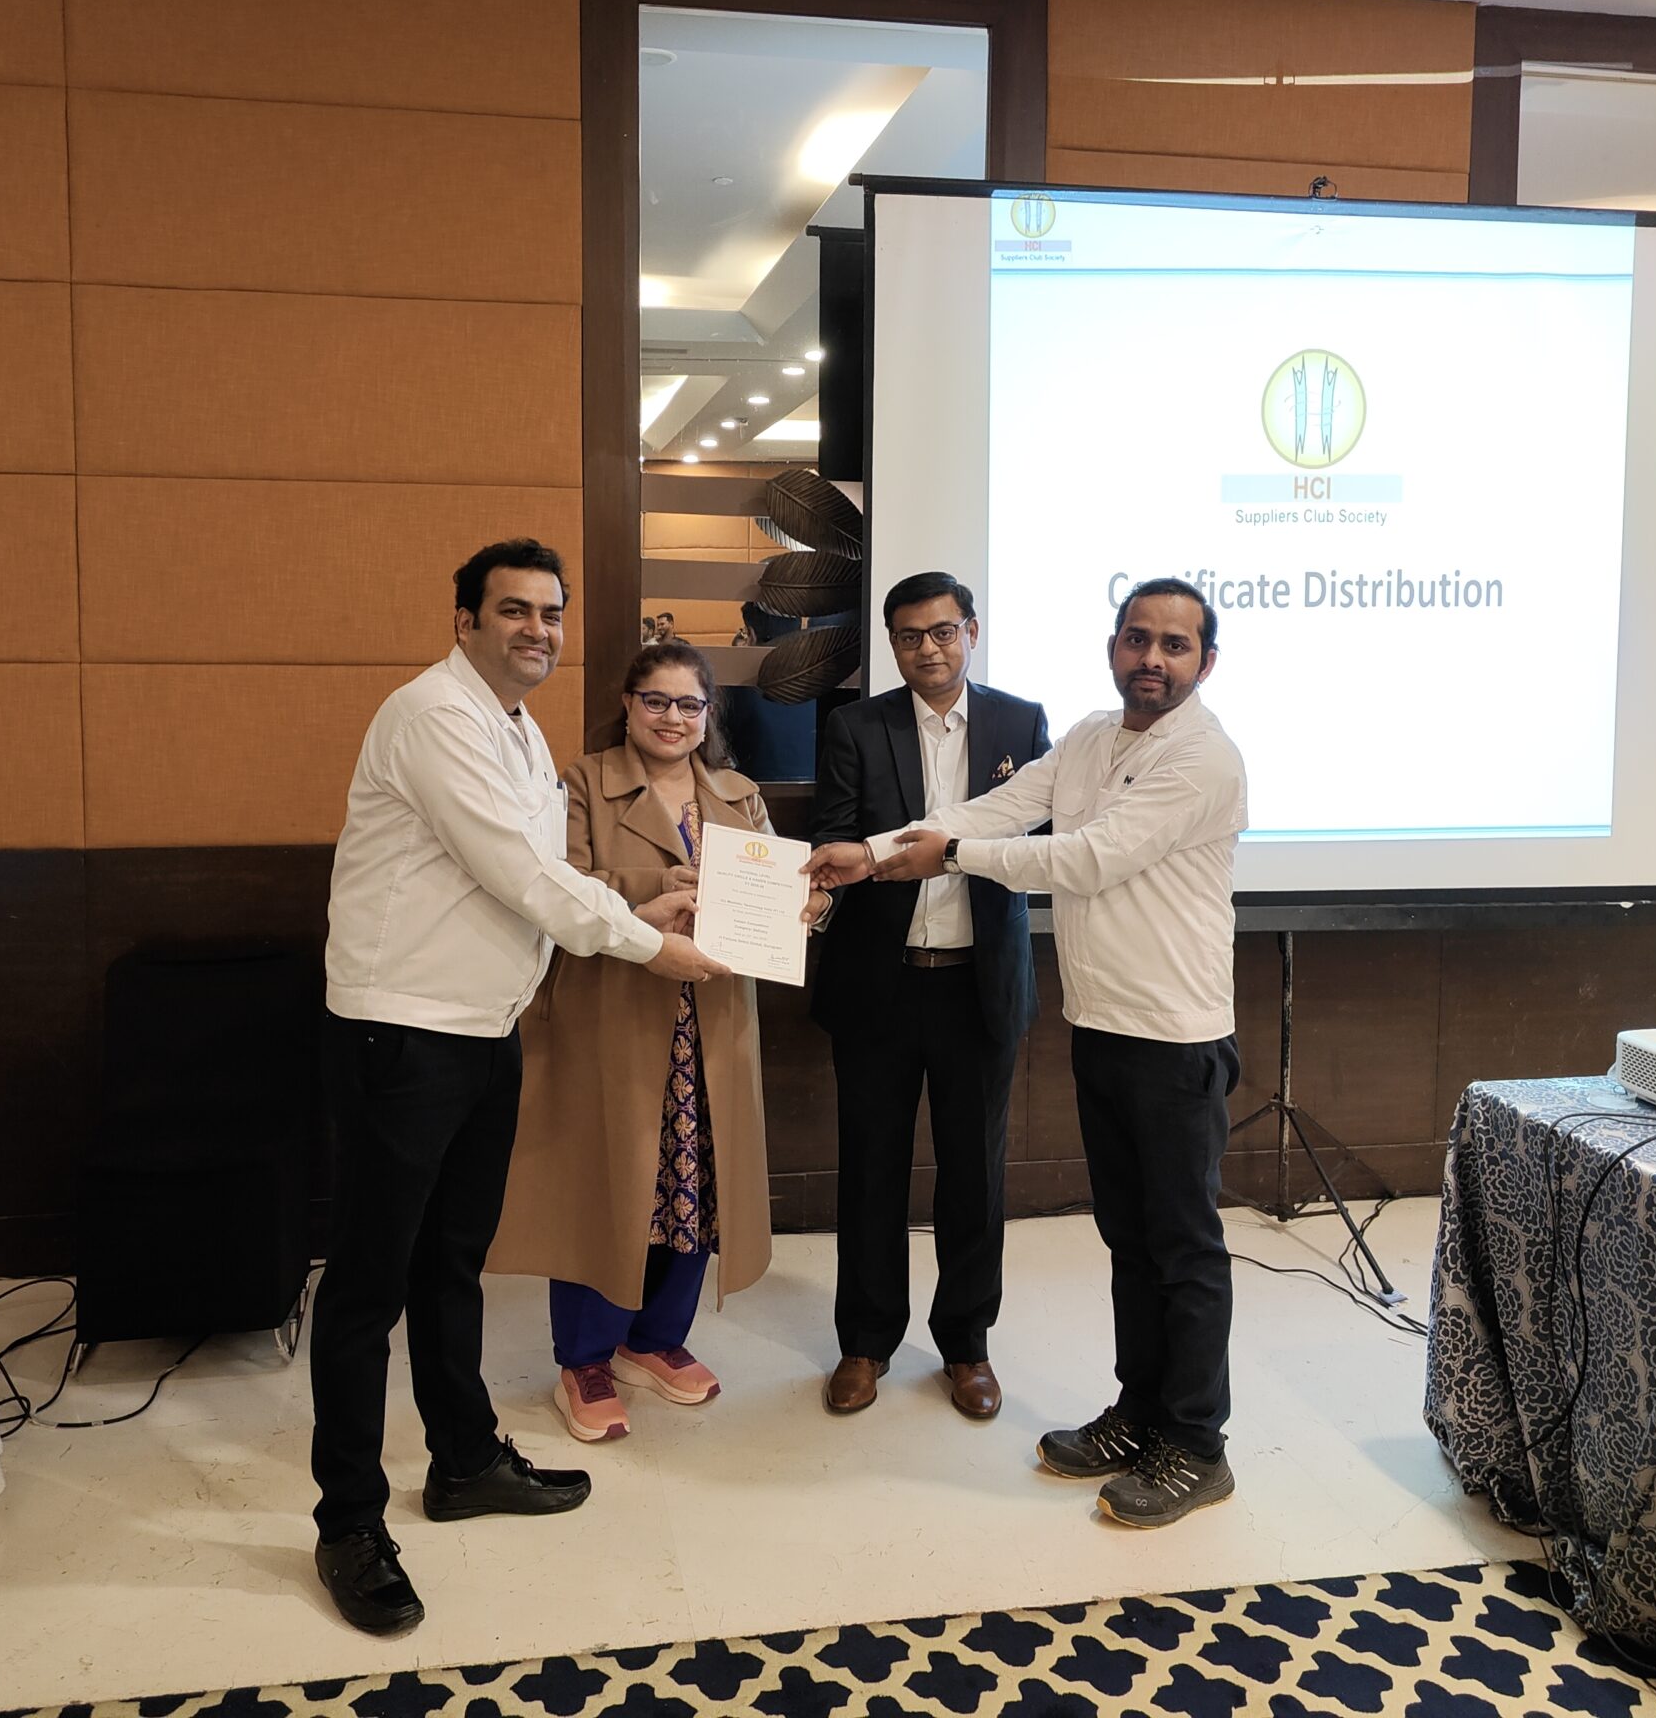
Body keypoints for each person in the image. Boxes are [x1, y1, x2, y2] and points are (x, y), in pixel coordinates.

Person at [312, 539, 726, 1637]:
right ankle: (348, 1521)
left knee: (453, 1263)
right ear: (465, 621)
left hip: (486, 1028)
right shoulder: (433, 717)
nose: (537, 630)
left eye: (550, 613)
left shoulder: (519, 729)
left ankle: (463, 1460)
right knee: (367, 1288)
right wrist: (648, 943)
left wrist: (649, 910)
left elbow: (548, 882)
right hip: (403, 1031)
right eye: (513, 611)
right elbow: (523, 873)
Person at [807, 577, 1248, 1529]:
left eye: (1174, 645)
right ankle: (1140, 1414)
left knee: (1182, 1246)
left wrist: (944, 858)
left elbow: (1085, 857)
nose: (1152, 658)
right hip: (1104, 1023)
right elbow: (999, 809)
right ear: (1113, 646)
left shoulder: (1203, 757)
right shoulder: (1089, 737)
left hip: (1176, 1033)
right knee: (1130, 1239)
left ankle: (1196, 1443)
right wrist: (874, 853)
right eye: (1137, 638)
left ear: (1205, 663)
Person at [491, 643, 816, 1441]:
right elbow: (553, 887)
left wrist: (806, 908)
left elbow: (779, 893)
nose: (673, 718)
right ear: (628, 705)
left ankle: (656, 1339)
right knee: (604, 1187)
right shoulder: (581, 785)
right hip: (615, 1019)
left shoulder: (739, 795)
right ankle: (585, 1358)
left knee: (697, 1184)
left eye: (689, 704)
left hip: (711, 1024)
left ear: (709, 715)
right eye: (656, 701)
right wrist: (650, 891)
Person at [809, 572, 1050, 1422]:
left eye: (943, 632)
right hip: (879, 982)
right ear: (893, 644)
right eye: (910, 636)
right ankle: (865, 1342)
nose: (928, 649)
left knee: (974, 1175)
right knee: (870, 1169)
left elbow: (1039, 839)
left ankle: (966, 1345)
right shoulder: (855, 725)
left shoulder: (1021, 724)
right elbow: (835, 837)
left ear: (971, 632)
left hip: (978, 985)